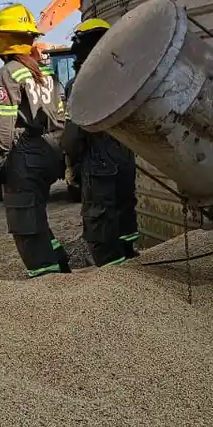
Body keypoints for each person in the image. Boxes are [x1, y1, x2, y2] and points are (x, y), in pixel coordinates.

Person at [0, 2, 71, 277]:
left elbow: (4, 125)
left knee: (24, 222)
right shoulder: (44, 72)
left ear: (3, 38)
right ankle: (60, 265)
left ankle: (49, 282)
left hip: (26, 152)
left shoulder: (7, 74)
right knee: (37, 215)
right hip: (53, 148)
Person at [61, 19, 141, 265]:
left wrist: (71, 162)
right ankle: (132, 263)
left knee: (100, 225)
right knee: (124, 214)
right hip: (125, 158)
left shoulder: (80, 83)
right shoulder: (124, 76)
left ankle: (113, 276)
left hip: (98, 164)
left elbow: (74, 134)